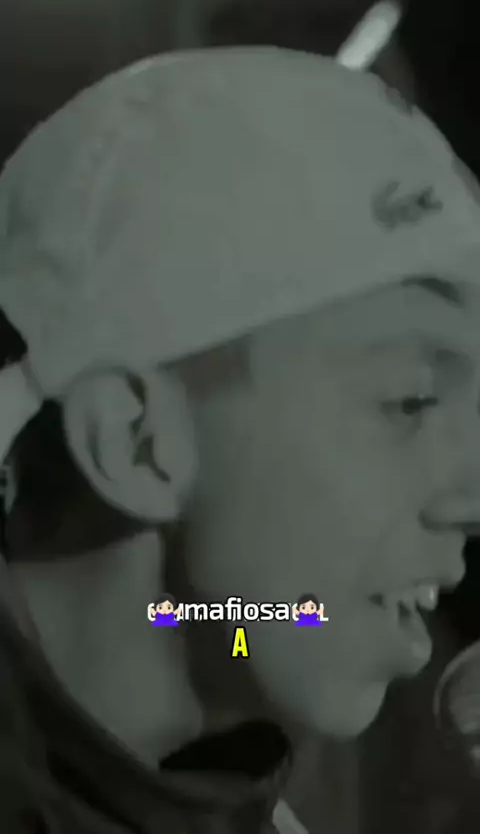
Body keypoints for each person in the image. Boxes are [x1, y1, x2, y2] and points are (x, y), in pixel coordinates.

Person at [1, 45, 480, 833]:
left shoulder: (228, 643)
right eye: (411, 401)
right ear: (136, 441)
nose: (471, 498)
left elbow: (235, 621)